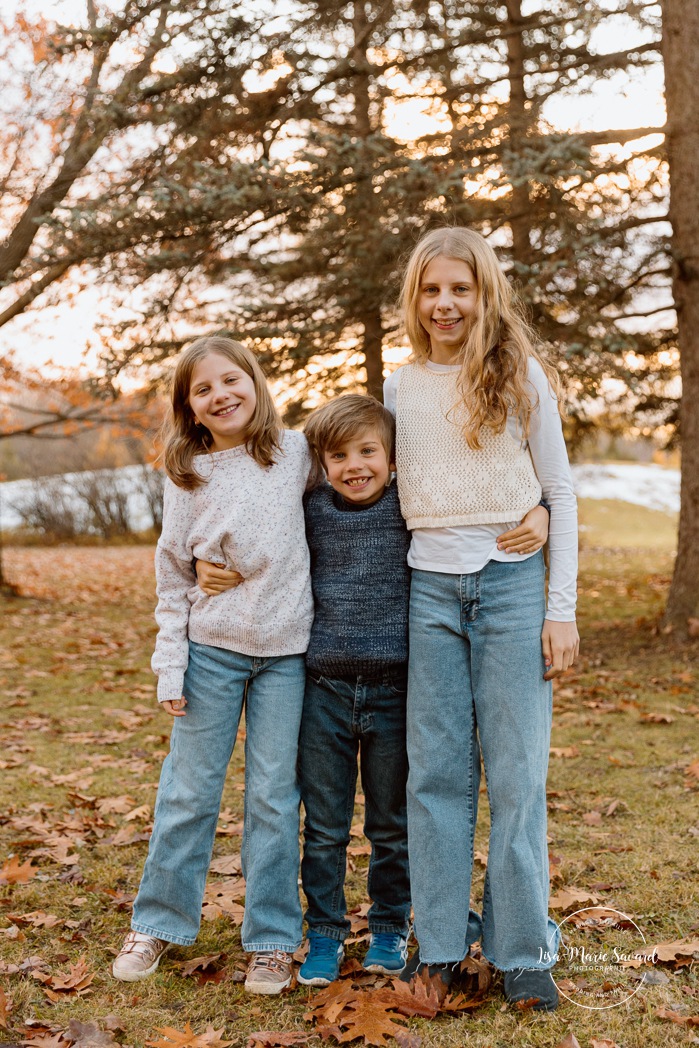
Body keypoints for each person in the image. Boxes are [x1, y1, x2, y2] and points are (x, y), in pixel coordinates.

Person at [198, 394, 550, 989]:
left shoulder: (410, 506)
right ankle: (327, 933)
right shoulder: (307, 507)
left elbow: (473, 494)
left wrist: (539, 506)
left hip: (395, 693)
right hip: (323, 691)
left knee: (391, 824)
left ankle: (390, 925)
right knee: (326, 824)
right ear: (319, 464)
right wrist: (200, 561)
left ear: (393, 458)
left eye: (368, 451)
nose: (354, 465)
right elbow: (249, 524)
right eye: (338, 455)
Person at [384, 226, 579, 1010]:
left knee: (517, 772)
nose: (444, 304)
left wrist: (558, 610)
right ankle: (435, 945)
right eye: (431, 290)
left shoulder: (520, 376)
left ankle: (522, 948)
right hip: (429, 592)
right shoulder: (401, 387)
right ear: (414, 298)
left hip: (509, 588)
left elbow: (558, 493)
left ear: (484, 294)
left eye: (459, 289)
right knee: (434, 774)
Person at [111, 336, 314, 996]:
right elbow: (173, 577)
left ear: (255, 384)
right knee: (188, 793)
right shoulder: (189, 474)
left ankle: (273, 941)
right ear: (190, 408)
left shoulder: (296, 453)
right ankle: (157, 923)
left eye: (232, 380)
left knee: (273, 800)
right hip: (213, 653)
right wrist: (170, 667)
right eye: (203, 389)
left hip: (286, 656)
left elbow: (362, 480)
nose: (221, 395)